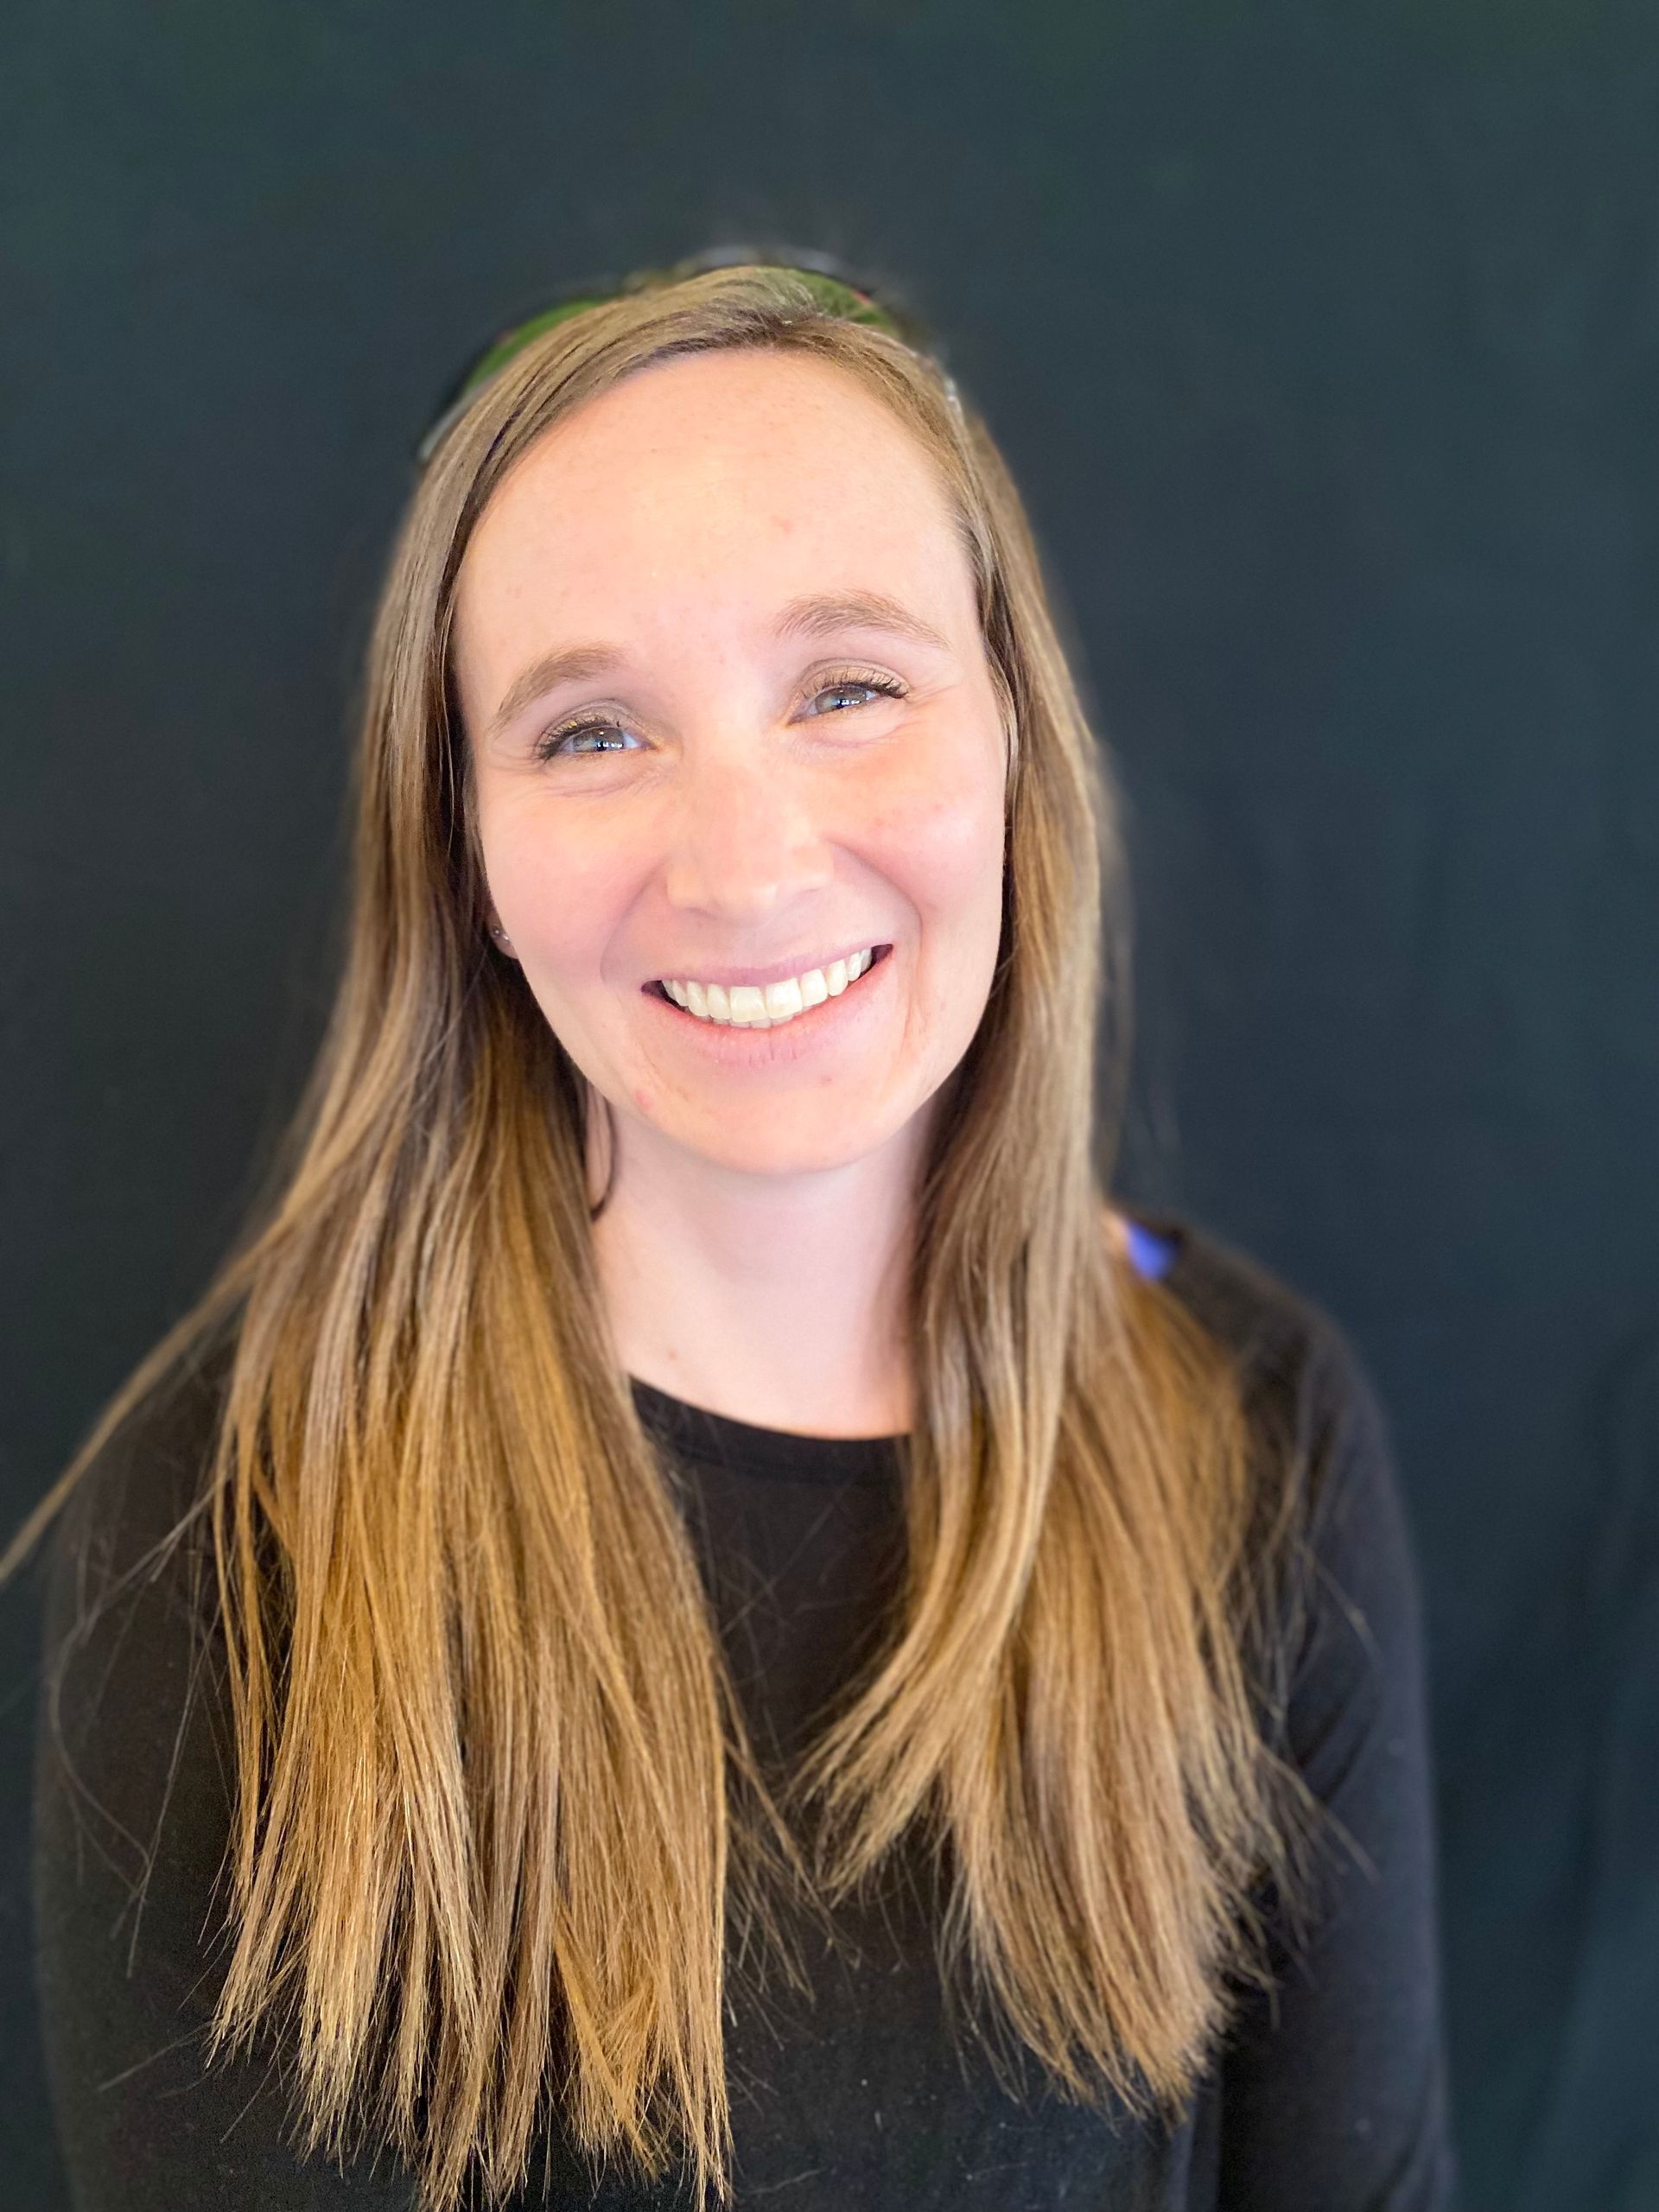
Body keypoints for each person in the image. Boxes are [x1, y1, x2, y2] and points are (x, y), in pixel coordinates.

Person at [9, 252, 1460, 2209]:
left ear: (1014, 745)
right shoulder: (236, 1518)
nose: (748, 865)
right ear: (466, 852)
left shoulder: (1250, 1424)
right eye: (590, 732)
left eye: (848, 687)